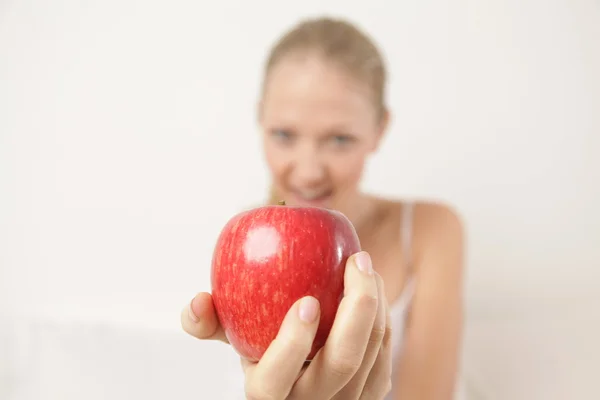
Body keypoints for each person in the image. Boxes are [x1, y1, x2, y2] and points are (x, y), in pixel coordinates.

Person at [181, 16, 465, 399]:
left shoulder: (430, 230)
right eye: (284, 134)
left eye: (340, 139)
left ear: (379, 129)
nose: (309, 171)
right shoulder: (245, 245)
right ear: (260, 117)